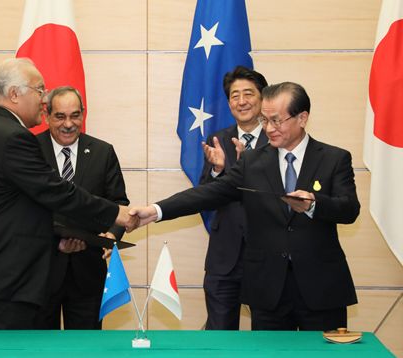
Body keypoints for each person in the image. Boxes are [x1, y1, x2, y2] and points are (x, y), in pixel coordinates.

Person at [131, 82, 360, 331]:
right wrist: (156, 211)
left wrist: (315, 205)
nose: (269, 129)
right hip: (268, 290)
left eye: (276, 120)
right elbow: (208, 193)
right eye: (264, 120)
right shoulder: (253, 162)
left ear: (302, 118)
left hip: (321, 289)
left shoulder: (334, 158)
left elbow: (349, 209)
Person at [0, 58, 137, 330]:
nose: (44, 97)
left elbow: (23, 210)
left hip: (4, 280)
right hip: (2, 282)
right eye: (39, 90)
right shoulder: (12, 136)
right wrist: (116, 213)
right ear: (14, 94)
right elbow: (56, 192)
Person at [34, 86, 129, 330]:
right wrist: (55, 242)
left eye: (75, 115)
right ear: (46, 115)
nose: (68, 124)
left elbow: (119, 203)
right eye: (60, 116)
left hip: (88, 271)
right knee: (41, 348)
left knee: (87, 350)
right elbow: (20, 209)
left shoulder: (102, 152)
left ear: (83, 114)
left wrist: (111, 235)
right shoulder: (30, 151)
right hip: (40, 272)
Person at [199, 66, 268, 330]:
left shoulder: (277, 140)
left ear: (262, 99)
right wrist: (217, 170)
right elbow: (204, 197)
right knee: (220, 337)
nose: (242, 101)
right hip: (224, 255)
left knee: (267, 338)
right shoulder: (218, 140)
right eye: (235, 95)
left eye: (248, 94)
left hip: (267, 254)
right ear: (228, 103)